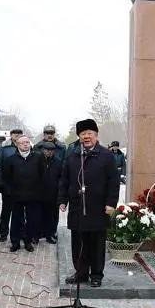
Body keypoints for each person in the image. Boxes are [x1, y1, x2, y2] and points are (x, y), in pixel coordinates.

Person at [59, 119, 119, 288]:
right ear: (79, 136)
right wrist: (62, 200)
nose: (86, 136)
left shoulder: (106, 156)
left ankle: (96, 274)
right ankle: (81, 272)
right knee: (78, 243)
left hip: (98, 208)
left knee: (96, 243)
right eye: (83, 133)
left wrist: (111, 203)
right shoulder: (72, 155)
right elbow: (64, 180)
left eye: (89, 133)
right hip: (77, 207)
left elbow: (113, 181)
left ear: (96, 135)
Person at [2, 136, 44, 252]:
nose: (25, 144)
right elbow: (6, 178)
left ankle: (28, 241)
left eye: (27, 142)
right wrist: (9, 191)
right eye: (22, 143)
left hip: (33, 195)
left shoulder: (38, 157)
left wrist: (39, 191)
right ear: (17, 144)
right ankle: (15, 242)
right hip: (16, 196)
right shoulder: (11, 159)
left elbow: (43, 175)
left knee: (31, 220)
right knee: (16, 219)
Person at [0, 128, 23, 242]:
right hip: (8, 185)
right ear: (11, 136)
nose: (17, 136)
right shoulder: (4, 149)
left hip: (22, 187)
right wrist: (0, 181)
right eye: (15, 134)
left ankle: (20, 233)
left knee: (21, 213)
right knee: (6, 211)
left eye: (19, 134)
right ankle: (3, 233)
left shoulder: (26, 147)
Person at [39, 141, 63, 244]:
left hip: (53, 193)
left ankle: (50, 234)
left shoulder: (58, 161)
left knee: (52, 216)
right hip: (39, 193)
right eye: (47, 150)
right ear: (43, 150)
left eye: (51, 150)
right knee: (38, 215)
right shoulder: (37, 160)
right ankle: (37, 235)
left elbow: (61, 177)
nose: (49, 152)